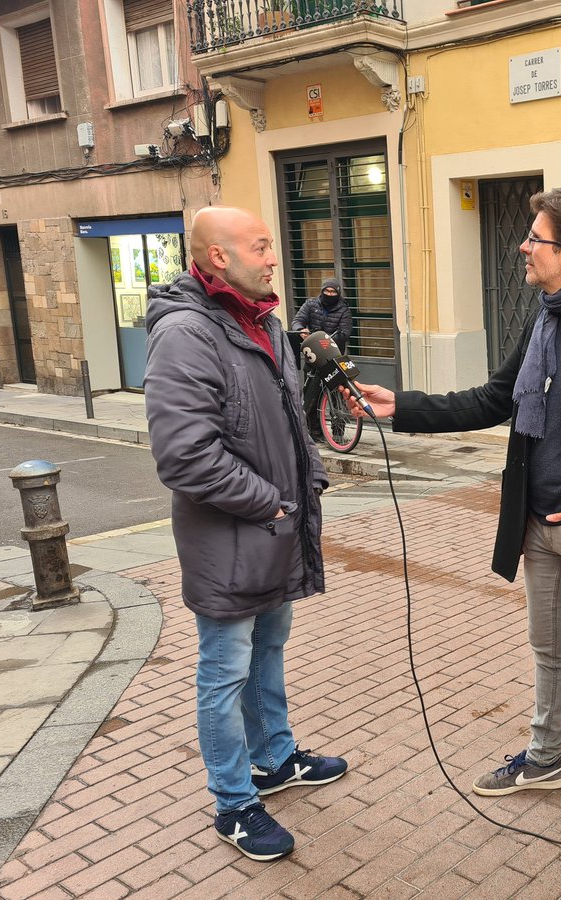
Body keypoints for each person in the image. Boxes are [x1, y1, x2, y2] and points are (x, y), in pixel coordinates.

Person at [346, 187, 561, 855]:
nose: (523, 247)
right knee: (548, 652)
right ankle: (545, 758)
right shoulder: (544, 322)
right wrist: (400, 407)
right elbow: (494, 399)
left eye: (536, 238)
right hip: (537, 523)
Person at [144, 207, 347, 863]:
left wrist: (310, 477)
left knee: (268, 650)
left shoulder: (266, 324)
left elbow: (291, 422)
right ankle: (233, 803)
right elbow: (185, 457)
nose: (272, 257)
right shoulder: (186, 333)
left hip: (274, 531)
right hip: (232, 543)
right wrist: (273, 504)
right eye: (259, 246)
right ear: (219, 257)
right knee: (225, 671)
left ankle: (275, 759)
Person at [292, 278, 352, 440]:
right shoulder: (311, 304)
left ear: (338, 293)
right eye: (327, 291)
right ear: (322, 291)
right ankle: (315, 432)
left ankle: (338, 433)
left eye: (333, 292)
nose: (329, 294)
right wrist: (301, 330)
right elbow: (297, 320)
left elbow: (345, 332)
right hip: (313, 356)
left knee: (337, 396)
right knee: (311, 395)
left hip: (334, 357)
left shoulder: (343, 309)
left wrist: (326, 340)